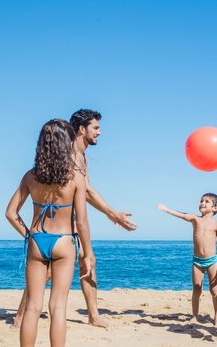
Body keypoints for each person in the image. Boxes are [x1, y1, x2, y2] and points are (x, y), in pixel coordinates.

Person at [12, 109, 136, 329]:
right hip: (59, 227)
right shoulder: (67, 153)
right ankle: (21, 316)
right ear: (81, 129)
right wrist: (111, 213)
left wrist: (112, 213)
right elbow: (85, 193)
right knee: (49, 270)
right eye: (95, 128)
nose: (100, 132)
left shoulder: (83, 156)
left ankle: (93, 315)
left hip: (70, 225)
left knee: (87, 263)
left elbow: (88, 190)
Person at [5, 119, 95, 347]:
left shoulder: (31, 176)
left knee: (32, 308)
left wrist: (29, 235)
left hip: (37, 240)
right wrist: (87, 253)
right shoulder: (75, 177)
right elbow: (81, 221)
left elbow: (10, 213)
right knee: (58, 308)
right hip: (64, 242)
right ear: (67, 143)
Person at [157, 194, 217, 326]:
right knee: (197, 288)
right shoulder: (195, 219)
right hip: (197, 261)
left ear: (215, 207)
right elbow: (182, 215)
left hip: (212, 261)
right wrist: (167, 210)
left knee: (214, 289)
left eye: (206, 201)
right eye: (201, 201)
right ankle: (195, 316)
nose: (202, 203)